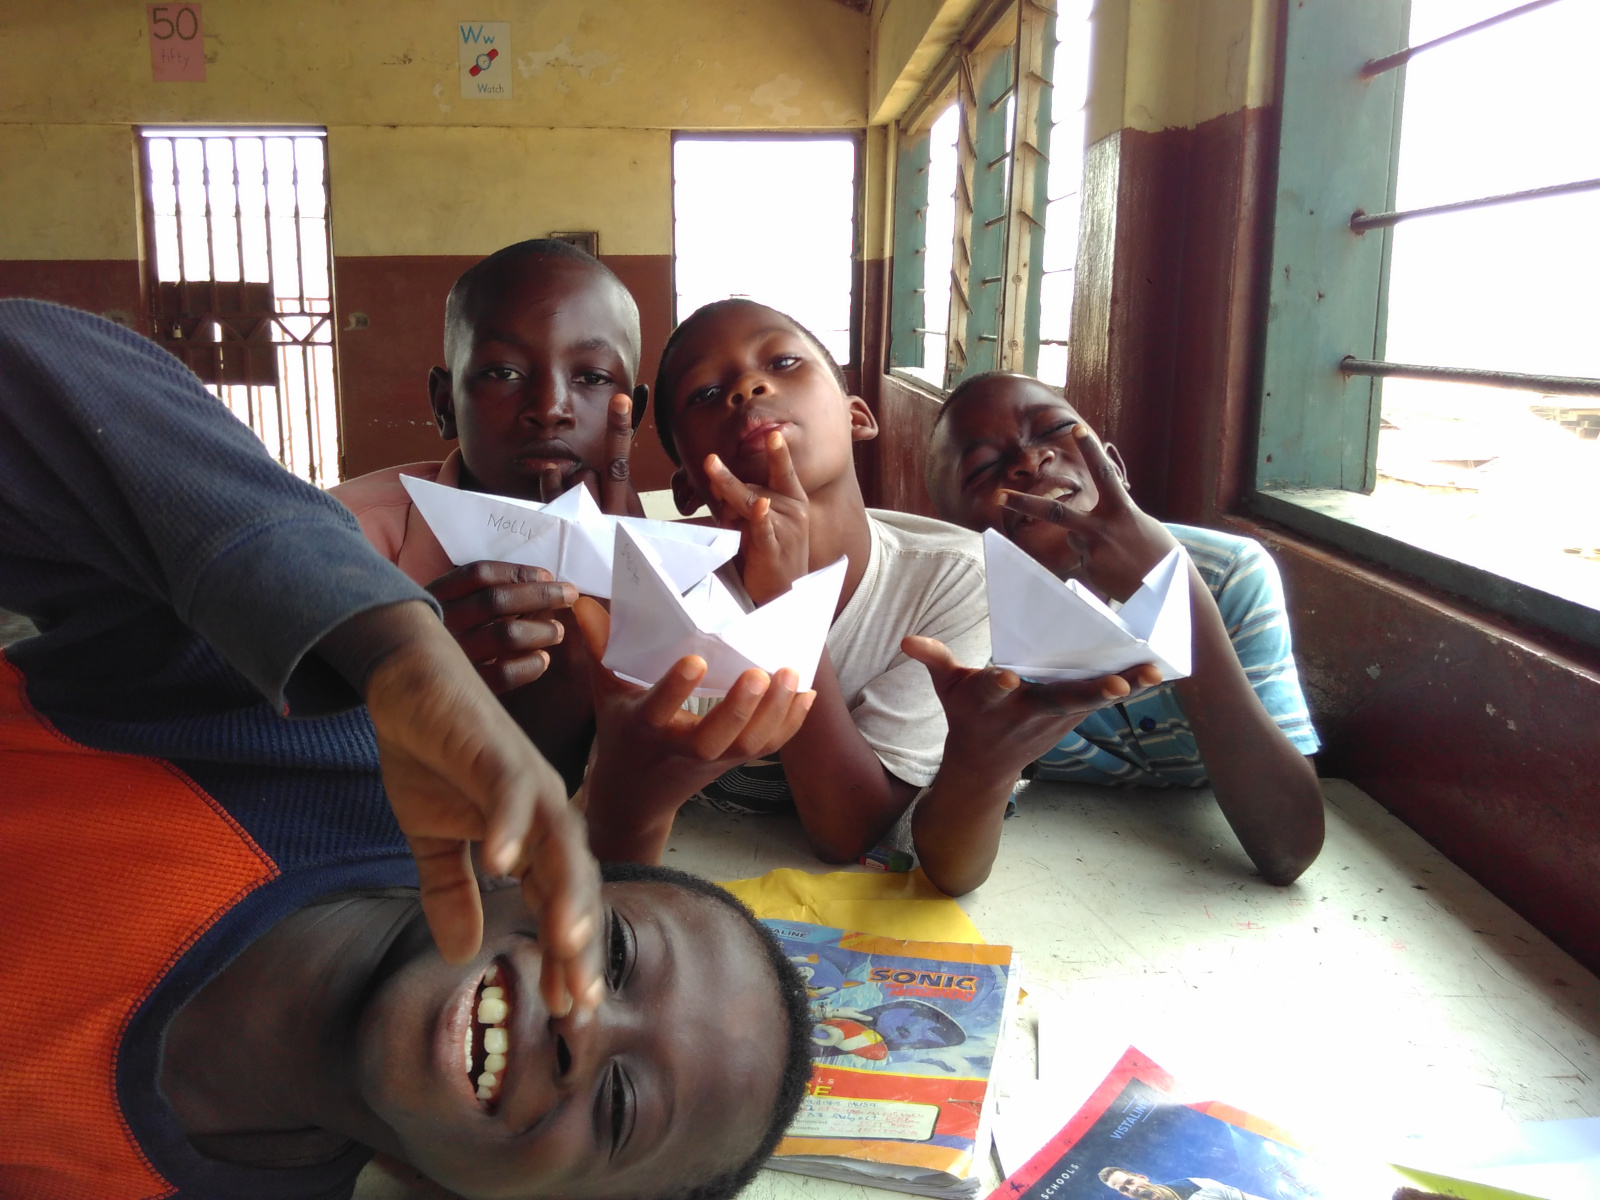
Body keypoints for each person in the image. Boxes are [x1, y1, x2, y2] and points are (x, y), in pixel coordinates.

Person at [0, 300, 813, 1200]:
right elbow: (29, 367)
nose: (586, 1026)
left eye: (619, 1108)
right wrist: (394, 650)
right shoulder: (293, 740)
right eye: (615, 954)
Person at [575, 298, 1133, 877]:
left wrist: (785, 601)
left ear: (857, 417)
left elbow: (849, 831)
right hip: (689, 878)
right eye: (707, 394)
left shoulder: (952, 578)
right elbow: (606, 809)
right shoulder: (666, 584)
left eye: (784, 363)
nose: (747, 386)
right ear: (689, 488)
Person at [920, 371, 1325, 888]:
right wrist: (982, 762)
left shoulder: (1227, 572)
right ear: (959, 532)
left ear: (1114, 468)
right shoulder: (967, 620)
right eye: (984, 468)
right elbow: (950, 868)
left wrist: (1173, 588)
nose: (1028, 460)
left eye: (1054, 430)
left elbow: (1288, 851)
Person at [331, 238, 647, 793]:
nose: (550, 407)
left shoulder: (666, 567)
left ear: (634, 413)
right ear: (444, 402)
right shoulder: (339, 546)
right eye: (503, 372)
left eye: (592, 377)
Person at [1099, 1166, 1269, 1200]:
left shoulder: (1197, 1185)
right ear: (1125, 1195)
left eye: (1130, 1181)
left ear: (1142, 1177)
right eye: (1124, 1189)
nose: (1133, 1188)